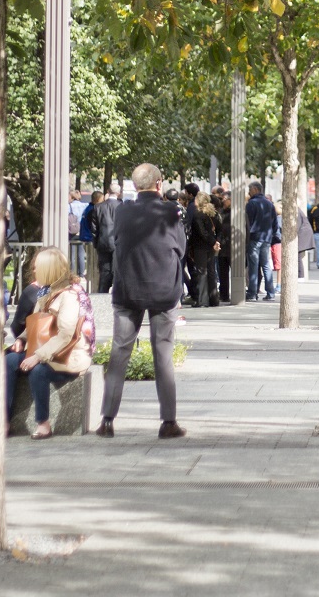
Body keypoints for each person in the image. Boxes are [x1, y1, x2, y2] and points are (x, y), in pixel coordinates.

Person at [99, 163, 186, 439]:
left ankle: (107, 421)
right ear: (159, 184)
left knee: (119, 354)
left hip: (128, 291)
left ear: (135, 186)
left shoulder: (123, 210)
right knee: (163, 356)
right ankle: (168, 422)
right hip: (163, 291)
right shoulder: (172, 212)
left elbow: (116, 241)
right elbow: (180, 248)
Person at [5, 247, 94, 439]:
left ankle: (43, 423)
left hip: (67, 355)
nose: (34, 271)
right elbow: (36, 323)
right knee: (9, 361)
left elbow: (65, 335)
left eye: (38, 267)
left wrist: (37, 356)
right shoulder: (46, 292)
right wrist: (21, 340)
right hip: (45, 349)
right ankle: (4, 420)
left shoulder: (69, 296)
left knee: (39, 372)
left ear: (49, 270)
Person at [245, 182, 279, 302]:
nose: (248, 192)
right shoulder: (269, 204)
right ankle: (270, 293)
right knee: (266, 265)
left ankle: (252, 293)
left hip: (254, 238)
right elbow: (275, 223)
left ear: (255, 189)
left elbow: (247, 223)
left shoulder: (251, 204)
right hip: (266, 238)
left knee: (253, 266)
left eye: (249, 189)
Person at [185, 194, 220, 308]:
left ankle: (202, 300)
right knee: (211, 272)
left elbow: (201, 232)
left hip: (200, 246)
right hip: (211, 246)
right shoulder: (214, 213)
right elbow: (219, 230)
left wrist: (213, 242)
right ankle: (213, 299)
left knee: (202, 272)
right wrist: (216, 242)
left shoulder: (197, 214)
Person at [90, 181, 121, 295]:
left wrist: (96, 242)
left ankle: (102, 295)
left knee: (104, 271)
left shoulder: (98, 207)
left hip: (103, 242)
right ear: (119, 193)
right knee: (117, 271)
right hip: (118, 243)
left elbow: (94, 228)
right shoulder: (122, 207)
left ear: (108, 191)